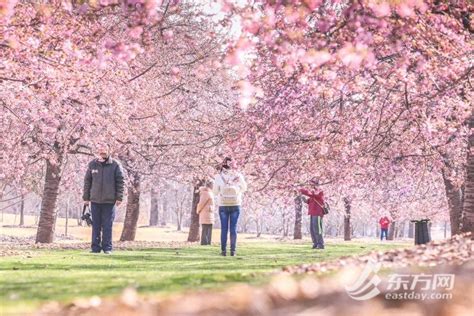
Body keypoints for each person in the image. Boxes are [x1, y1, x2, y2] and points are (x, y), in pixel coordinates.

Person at [83, 143, 124, 254]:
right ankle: (95, 248)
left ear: (109, 150)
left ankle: (107, 248)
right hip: (95, 200)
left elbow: (120, 181)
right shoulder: (92, 164)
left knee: (107, 225)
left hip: (109, 201)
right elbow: (87, 181)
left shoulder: (115, 165)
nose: (102, 151)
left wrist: (119, 197)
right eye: (100, 149)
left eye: (104, 149)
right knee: (95, 225)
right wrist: (86, 198)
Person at [213, 157, 247, 256]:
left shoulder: (219, 177)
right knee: (233, 228)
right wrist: (237, 190)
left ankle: (223, 251)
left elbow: (215, 192)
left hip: (223, 205)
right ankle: (233, 251)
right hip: (235, 204)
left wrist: (222, 191)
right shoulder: (238, 176)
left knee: (224, 229)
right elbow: (244, 188)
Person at [300, 180, 325, 249]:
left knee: (317, 229)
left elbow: (312, 194)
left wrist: (302, 190)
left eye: (312, 185)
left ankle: (321, 244)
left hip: (318, 213)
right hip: (312, 213)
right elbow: (309, 201)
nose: (310, 186)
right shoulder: (312, 193)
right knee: (312, 229)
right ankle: (315, 243)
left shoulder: (319, 192)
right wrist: (304, 199)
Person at [197, 180, 215, 245]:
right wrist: (198, 210)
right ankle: (204, 242)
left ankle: (208, 242)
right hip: (206, 213)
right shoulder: (205, 193)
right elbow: (201, 203)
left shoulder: (209, 192)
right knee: (205, 228)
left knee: (209, 228)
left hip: (209, 213)